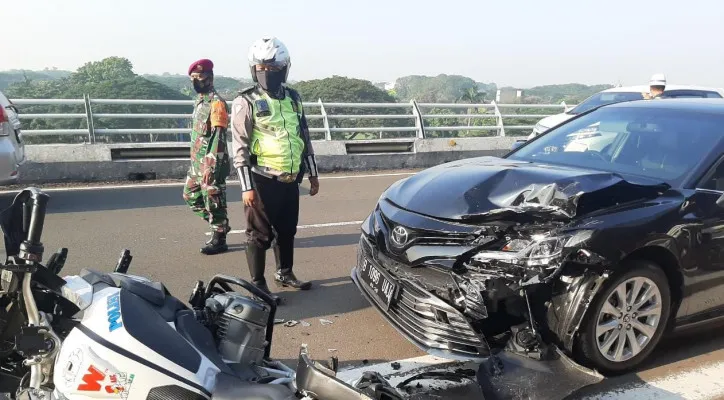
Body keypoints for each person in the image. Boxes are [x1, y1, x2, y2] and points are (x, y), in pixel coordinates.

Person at [230, 36, 320, 303]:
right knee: (259, 234)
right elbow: (240, 145)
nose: (267, 74)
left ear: (284, 68)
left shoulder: (293, 98)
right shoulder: (245, 101)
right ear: (254, 69)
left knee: (287, 229)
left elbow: (303, 135)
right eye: (262, 69)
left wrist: (313, 173)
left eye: (273, 68)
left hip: (291, 177)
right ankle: (257, 284)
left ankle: (285, 272)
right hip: (261, 178)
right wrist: (246, 186)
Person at [182, 58, 231, 255]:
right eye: (193, 78)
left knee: (213, 198)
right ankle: (220, 224)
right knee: (190, 195)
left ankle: (219, 237)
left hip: (211, 162)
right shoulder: (199, 101)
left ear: (210, 78)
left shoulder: (217, 103)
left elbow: (218, 137)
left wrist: (211, 167)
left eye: (200, 77)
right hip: (197, 162)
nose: (196, 81)